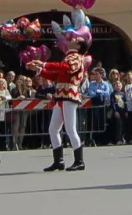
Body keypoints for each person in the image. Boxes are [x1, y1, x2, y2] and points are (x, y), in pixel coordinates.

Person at [31, 13, 92, 172]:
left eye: (75, 40)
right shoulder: (69, 56)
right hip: (62, 96)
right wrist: (40, 70)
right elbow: (57, 74)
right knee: (53, 129)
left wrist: (44, 65)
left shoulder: (76, 57)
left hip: (68, 96)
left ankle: (79, 161)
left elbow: (64, 69)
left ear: (79, 46)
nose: (71, 39)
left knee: (71, 129)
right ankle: (59, 161)